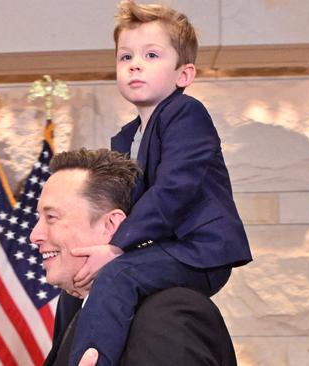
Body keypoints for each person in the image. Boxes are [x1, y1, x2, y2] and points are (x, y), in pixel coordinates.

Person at [66, 1, 253, 365]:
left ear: (183, 75)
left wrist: (117, 246)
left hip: (199, 251)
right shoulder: (126, 137)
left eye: (151, 55)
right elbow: (121, 205)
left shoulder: (186, 113)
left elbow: (175, 191)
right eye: (126, 57)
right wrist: (94, 243)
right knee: (80, 274)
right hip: (161, 247)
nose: (135, 64)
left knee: (118, 274)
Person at [31, 149, 236, 366]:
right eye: (39, 218)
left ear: (111, 225)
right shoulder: (74, 306)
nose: (35, 235)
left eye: (51, 217)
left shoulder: (167, 314)